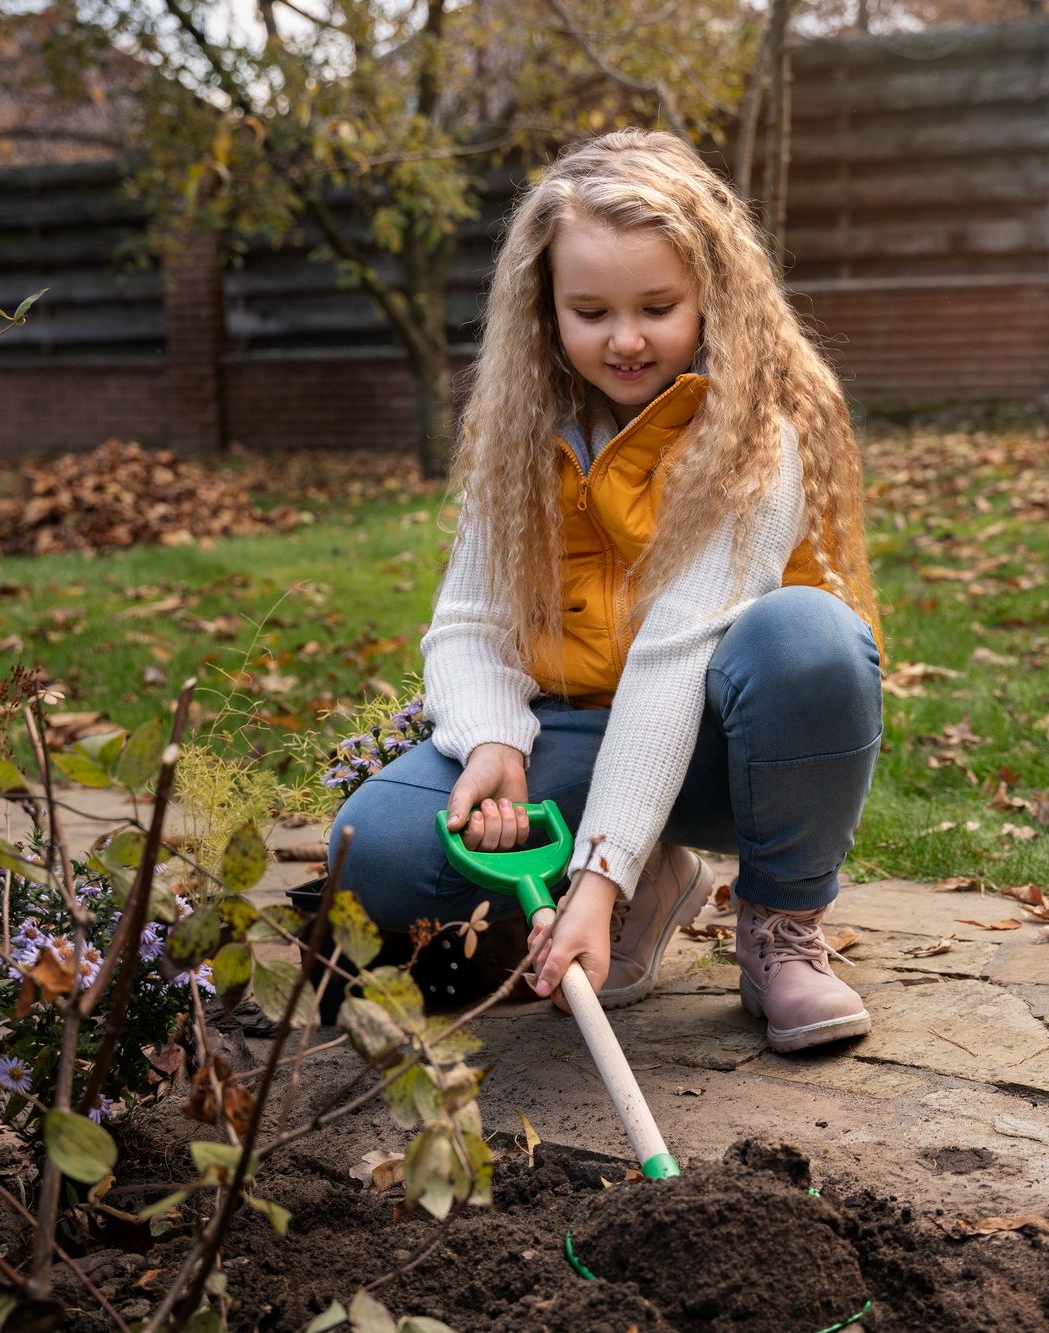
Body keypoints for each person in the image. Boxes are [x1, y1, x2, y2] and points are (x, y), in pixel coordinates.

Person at [334, 128, 885, 1054]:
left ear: (712, 294)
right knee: (380, 849)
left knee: (808, 636)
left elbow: (675, 655)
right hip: (577, 731)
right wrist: (494, 738)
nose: (625, 339)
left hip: (731, 745)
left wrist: (593, 879)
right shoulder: (521, 427)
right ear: (545, 307)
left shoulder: (757, 434)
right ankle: (658, 874)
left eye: (657, 306)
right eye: (590, 311)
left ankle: (781, 928)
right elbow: (468, 621)